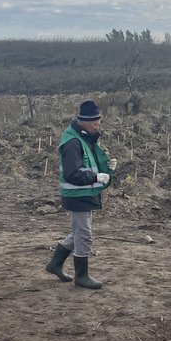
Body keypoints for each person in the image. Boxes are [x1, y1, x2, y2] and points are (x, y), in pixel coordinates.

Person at [44, 100, 113, 290]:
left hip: (83, 194)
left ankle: (55, 264)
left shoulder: (81, 138)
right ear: (84, 122)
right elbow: (72, 173)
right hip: (78, 195)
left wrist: (105, 168)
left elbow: (86, 163)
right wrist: (96, 176)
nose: (98, 127)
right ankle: (81, 276)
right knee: (84, 235)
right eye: (95, 124)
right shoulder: (73, 142)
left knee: (79, 233)